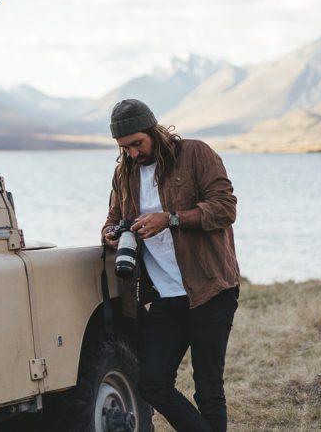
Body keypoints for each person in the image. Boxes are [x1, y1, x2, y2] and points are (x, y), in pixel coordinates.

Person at [102, 99, 239, 432]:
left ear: (153, 129)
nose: (133, 153)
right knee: (152, 384)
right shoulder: (124, 173)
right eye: (125, 147)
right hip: (165, 296)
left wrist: (171, 219)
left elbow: (225, 208)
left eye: (137, 143)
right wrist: (111, 234)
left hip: (210, 289)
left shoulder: (195, 154)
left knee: (208, 388)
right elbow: (112, 220)